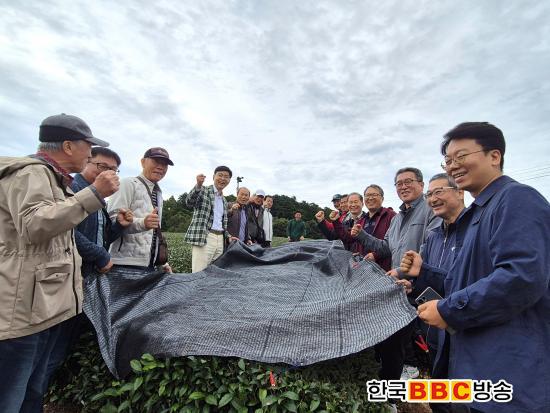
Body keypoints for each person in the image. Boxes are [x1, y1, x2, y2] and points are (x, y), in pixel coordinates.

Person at [408, 122, 550, 413]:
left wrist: (448, 310)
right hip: (478, 364)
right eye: (448, 161)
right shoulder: (479, 213)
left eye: (461, 156)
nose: (453, 166)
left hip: (509, 369)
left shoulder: (516, 199)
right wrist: (423, 274)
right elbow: (464, 279)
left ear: (494, 156)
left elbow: (521, 277)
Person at [0, 113, 119, 412]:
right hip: (21, 312)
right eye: (87, 146)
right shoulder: (31, 174)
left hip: (41, 307)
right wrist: (94, 194)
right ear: (67, 146)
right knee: (11, 396)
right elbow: (35, 225)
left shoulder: (55, 180)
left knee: (32, 392)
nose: (90, 153)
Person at [351, 167, 441, 380]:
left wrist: (401, 271)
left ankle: (417, 370)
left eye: (408, 181)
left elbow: (431, 249)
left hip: (421, 284)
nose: (403, 186)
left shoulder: (430, 210)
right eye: (399, 183)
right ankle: (400, 371)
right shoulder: (398, 218)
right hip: (399, 285)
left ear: (421, 184)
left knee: (424, 333)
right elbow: (385, 248)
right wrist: (362, 235)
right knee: (398, 336)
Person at [398, 173, 465, 413]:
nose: (433, 199)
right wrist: (413, 285)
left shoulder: (473, 233)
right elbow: (428, 276)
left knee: (462, 394)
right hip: (435, 327)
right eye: (430, 194)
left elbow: (465, 281)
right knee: (440, 391)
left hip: (462, 324)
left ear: (460, 192)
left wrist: (422, 271)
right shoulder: (434, 237)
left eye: (439, 192)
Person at [108, 147, 174, 272]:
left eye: (165, 164)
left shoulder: (158, 192)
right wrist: (143, 223)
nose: (160, 167)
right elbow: (112, 221)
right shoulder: (128, 184)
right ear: (143, 162)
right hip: (125, 263)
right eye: (156, 161)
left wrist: (161, 263)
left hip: (149, 264)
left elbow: (154, 231)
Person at [330, 186, 396, 271]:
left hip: (384, 271)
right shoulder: (362, 220)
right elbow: (349, 239)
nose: (370, 198)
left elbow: (395, 244)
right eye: (367, 195)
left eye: (374, 195)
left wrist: (376, 255)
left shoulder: (391, 216)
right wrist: (336, 221)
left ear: (382, 198)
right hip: (364, 271)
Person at [185, 166, 232, 272]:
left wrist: (228, 236)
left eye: (226, 177)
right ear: (213, 176)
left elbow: (221, 223)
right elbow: (189, 202)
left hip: (220, 239)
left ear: (229, 180)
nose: (223, 179)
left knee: (215, 273)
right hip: (205, 237)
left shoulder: (224, 200)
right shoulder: (203, 190)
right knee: (199, 272)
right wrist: (198, 185)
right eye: (220, 175)